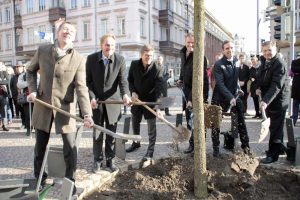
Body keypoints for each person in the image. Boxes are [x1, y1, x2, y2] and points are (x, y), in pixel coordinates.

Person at [26, 20, 94, 192]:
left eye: (71, 31)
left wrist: (87, 114)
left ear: (74, 36)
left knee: (70, 149)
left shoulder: (78, 59)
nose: (67, 32)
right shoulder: (43, 50)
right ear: (58, 32)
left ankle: (70, 182)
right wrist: (33, 90)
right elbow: (30, 70)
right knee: (40, 147)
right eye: (64, 29)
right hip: (43, 107)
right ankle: (39, 179)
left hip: (65, 109)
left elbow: (81, 87)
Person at [86, 34, 131, 173]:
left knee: (111, 133)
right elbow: (88, 82)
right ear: (101, 45)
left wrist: (125, 95)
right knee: (98, 133)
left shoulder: (120, 60)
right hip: (97, 102)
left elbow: (123, 81)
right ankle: (97, 160)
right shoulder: (91, 59)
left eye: (112, 45)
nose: (109, 48)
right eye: (107, 45)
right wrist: (92, 97)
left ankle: (110, 160)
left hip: (113, 102)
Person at [211, 40, 250, 157]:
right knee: (216, 123)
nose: (230, 50)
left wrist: (238, 88)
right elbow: (221, 84)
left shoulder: (237, 62)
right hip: (219, 98)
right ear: (223, 50)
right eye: (227, 48)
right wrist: (230, 98)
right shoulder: (218, 65)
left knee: (241, 121)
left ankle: (246, 147)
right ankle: (216, 149)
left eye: (232, 48)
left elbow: (235, 79)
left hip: (234, 96)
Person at [126, 44, 164, 161]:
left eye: (151, 56)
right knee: (135, 123)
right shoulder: (133, 65)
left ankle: (150, 151)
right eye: (146, 55)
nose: (149, 58)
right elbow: (130, 80)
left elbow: (159, 90)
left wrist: (158, 107)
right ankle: (136, 143)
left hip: (150, 102)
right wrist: (132, 92)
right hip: (137, 101)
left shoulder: (157, 68)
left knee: (151, 128)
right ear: (141, 54)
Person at [256, 41, 289, 164]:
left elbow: (276, 86)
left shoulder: (279, 64)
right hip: (270, 100)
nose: (267, 53)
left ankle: (273, 155)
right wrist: (258, 87)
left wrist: (265, 101)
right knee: (275, 126)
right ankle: (279, 148)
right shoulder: (265, 62)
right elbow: (260, 77)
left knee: (275, 128)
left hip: (278, 101)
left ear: (275, 50)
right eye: (264, 51)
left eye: (269, 50)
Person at [176, 33, 209, 154]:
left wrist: (191, 99)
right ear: (185, 42)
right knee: (189, 120)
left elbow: (198, 81)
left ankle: (200, 147)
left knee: (198, 121)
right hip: (186, 91)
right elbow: (183, 70)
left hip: (198, 93)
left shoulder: (200, 57)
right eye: (188, 42)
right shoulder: (183, 53)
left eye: (193, 43)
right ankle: (191, 145)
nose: (190, 45)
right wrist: (180, 79)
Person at [291, 53, 300, 126]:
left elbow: (295, 70)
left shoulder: (295, 62)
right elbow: (293, 70)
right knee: (295, 106)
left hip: (296, 88)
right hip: (296, 89)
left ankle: (294, 120)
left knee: (295, 106)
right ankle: (293, 120)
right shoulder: (294, 62)